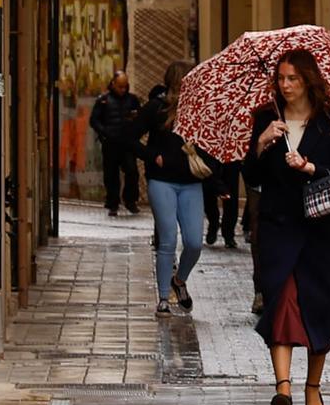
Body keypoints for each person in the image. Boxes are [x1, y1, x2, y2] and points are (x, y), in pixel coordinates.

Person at [242, 49, 330, 405]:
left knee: (320, 304)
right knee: (282, 299)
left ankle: (313, 387)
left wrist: (310, 167)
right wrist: (261, 144)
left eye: (292, 78)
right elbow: (252, 177)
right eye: (281, 79)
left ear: (307, 80)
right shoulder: (266, 118)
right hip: (278, 226)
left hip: (321, 228)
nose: (285, 85)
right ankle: (283, 388)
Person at [129, 60, 223, 316]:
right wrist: (153, 157)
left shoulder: (199, 110)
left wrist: (215, 177)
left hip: (191, 183)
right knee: (168, 240)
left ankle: (178, 281)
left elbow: (210, 146)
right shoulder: (156, 107)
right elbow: (128, 136)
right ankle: (162, 298)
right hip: (162, 182)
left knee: (194, 242)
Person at [89, 70, 141, 216]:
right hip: (110, 143)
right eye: (120, 86)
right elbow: (94, 120)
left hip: (127, 144)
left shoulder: (132, 100)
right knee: (111, 175)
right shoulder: (103, 100)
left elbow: (139, 118)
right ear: (113, 84)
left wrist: (134, 129)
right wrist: (104, 132)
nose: (122, 90)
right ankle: (113, 202)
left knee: (132, 172)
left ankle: (130, 200)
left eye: (125, 86)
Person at [204, 161, 242, 248]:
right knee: (208, 190)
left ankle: (229, 233)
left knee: (231, 195)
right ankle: (213, 223)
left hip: (231, 156)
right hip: (211, 153)